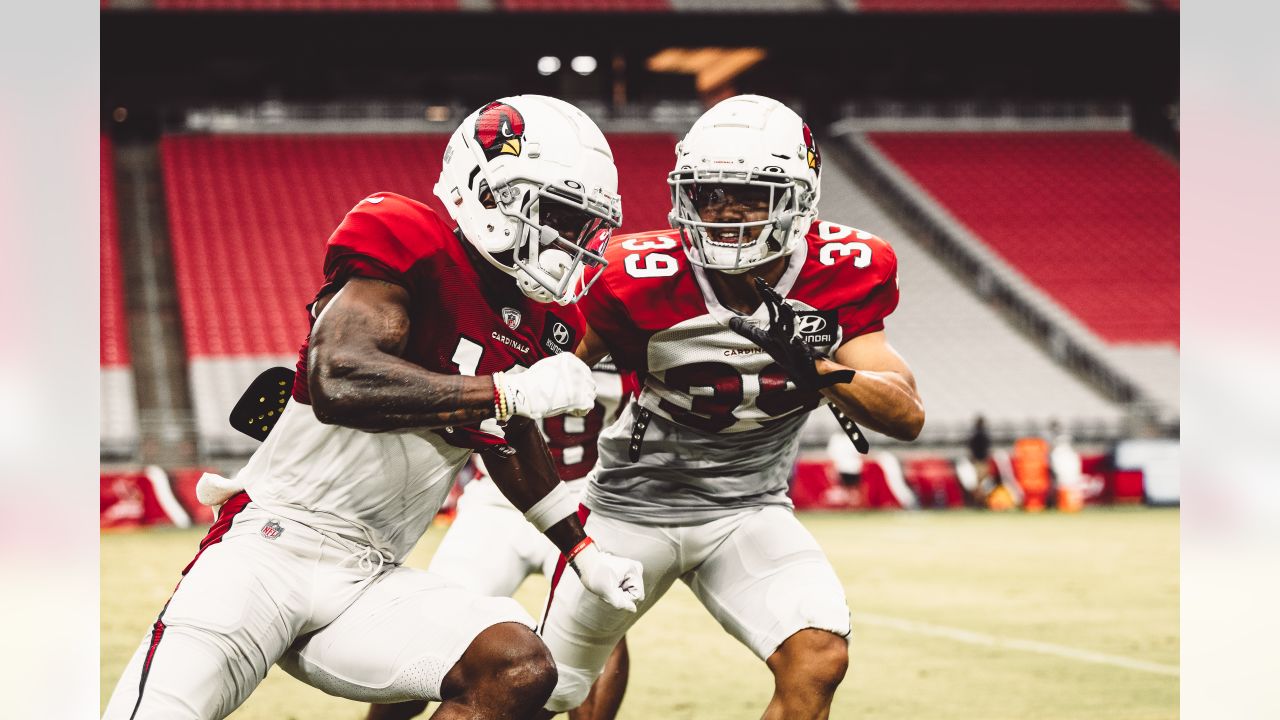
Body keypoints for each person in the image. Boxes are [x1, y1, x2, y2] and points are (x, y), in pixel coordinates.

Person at [102, 95, 645, 720]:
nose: (571, 243)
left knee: (516, 665)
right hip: (269, 548)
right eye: (558, 216)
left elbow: (509, 438)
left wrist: (581, 550)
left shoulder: (542, 319)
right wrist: (507, 391)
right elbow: (338, 380)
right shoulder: (409, 239)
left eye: (583, 227)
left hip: (370, 575)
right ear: (487, 193)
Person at [535, 94, 925, 719]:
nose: (722, 213)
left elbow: (906, 415)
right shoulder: (632, 272)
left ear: (799, 199)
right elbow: (540, 382)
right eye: (708, 193)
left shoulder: (847, 269)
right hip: (628, 510)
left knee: (818, 657)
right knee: (546, 687)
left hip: (748, 510)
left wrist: (820, 366)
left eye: (748, 194)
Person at [368, 360, 635, 720]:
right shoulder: (507, 316)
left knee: (598, 625)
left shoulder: (621, 316)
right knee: (427, 633)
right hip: (496, 497)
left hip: (588, 499)